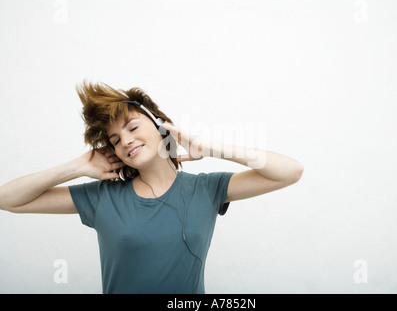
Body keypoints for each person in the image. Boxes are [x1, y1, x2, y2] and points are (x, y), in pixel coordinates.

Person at [0, 81, 303, 294]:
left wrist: (208, 146)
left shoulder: (207, 188)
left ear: (162, 127)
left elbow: (290, 171)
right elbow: (8, 199)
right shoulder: (103, 198)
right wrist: (77, 166)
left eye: (132, 128)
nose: (126, 141)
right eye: (115, 140)